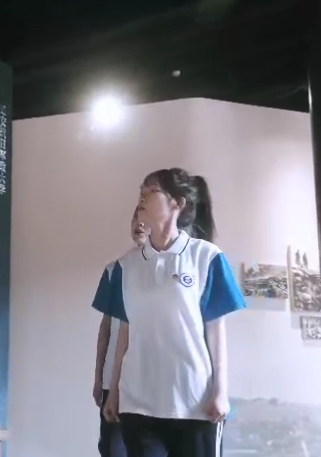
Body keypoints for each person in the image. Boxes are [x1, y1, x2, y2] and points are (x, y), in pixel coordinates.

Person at [100, 168, 245, 457]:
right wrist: (113, 390)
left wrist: (220, 391)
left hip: (194, 403)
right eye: (141, 191)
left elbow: (216, 331)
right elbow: (124, 332)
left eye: (151, 191)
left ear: (177, 204)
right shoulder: (126, 266)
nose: (142, 196)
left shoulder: (206, 257)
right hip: (138, 403)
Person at [93, 210, 163, 457]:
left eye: (146, 220)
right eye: (136, 219)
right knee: (113, 448)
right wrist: (98, 377)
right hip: (113, 381)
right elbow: (106, 327)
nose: (140, 225)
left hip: (151, 380)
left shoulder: (167, 269)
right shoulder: (115, 270)